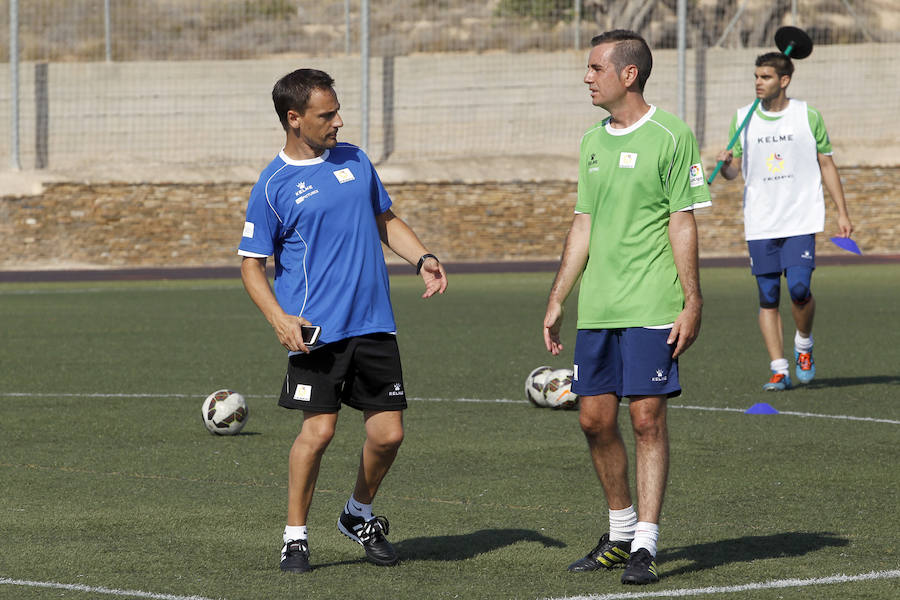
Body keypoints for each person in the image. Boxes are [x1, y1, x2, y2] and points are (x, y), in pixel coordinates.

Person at [237, 68, 447, 574]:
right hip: (316, 331)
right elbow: (251, 265)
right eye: (326, 114)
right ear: (294, 119)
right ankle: (294, 537)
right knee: (320, 432)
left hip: (374, 322)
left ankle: (358, 513)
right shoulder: (273, 185)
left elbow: (385, 219)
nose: (338, 121)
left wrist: (422, 258)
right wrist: (279, 320)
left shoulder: (354, 159)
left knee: (389, 435)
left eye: (337, 111)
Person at [543, 30, 710, 585]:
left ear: (628, 74)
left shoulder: (672, 134)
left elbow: (682, 220)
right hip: (599, 306)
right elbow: (583, 224)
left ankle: (646, 544)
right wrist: (559, 297)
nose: (587, 77)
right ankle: (618, 532)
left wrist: (692, 299)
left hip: (653, 301)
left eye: (595, 68)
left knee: (645, 418)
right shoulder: (592, 141)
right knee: (593, 420)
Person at [715, 52, 853, 391]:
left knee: (800, 289)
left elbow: (826, 165)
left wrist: (842, 212)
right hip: (761, 220)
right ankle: (779, 369)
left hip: (800, 217)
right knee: (768, 294)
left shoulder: (808, 115)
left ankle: (803, 345)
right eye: (756, 76)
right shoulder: (742, 118)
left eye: (765, 77)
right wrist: (724, 164)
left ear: (784, 80)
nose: (758, 83)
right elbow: (734, 174)